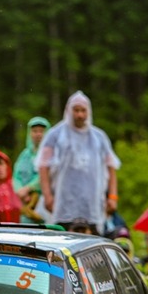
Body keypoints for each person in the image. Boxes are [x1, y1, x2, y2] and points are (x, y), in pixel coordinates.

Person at [36, 91, 120, 233]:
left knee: (91, 244)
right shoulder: (55, 135)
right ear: (69, 111)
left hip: (92, 204)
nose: (80, 115)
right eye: (76, 110)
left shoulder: (99, 137)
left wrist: (112, 196)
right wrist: (48, 196)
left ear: (89, 112)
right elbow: (43, 166)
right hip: (63, 203)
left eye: (83, 110)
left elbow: (111, 167)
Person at [13, 117, 50, 224]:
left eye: (41, 131)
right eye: (35, 131)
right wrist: (20, 191)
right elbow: (16, 175)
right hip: (25, 203)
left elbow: (47, 175)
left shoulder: (50, 154)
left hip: (42, 203)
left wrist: (29, 188)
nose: (38, 134)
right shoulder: (25, 155)